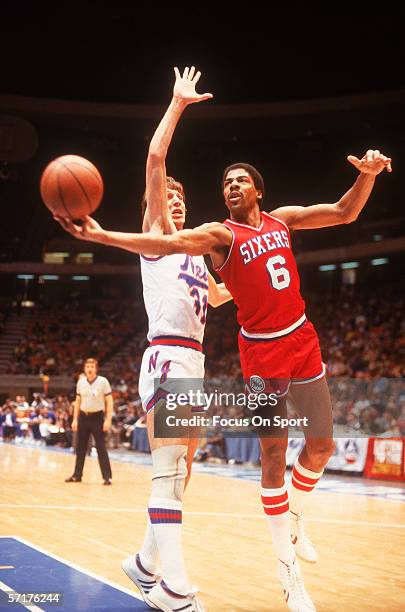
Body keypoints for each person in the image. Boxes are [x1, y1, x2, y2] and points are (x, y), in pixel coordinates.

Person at [56, 143, 391, 610]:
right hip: (219, 356)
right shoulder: (207, 237)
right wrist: (103, 236)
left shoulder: (268, 226)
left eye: (239, 180)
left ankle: (148, 562)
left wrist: (369, 174)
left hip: (259, 347)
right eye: (225, 182)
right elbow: (162, 221)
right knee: (209, 466)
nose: (231, 186)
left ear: (258, 189)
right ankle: (228, 581)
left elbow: (340, 212)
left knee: (222, 464)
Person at [59, 67, 230, 612]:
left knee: (184, 471)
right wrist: (177, 104)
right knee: (166, 468)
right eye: (167, 200)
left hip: (194, 361)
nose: (175, 203)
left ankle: (145, 563)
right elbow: (157, 160)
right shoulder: (156, 237)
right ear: (154, 211)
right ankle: (174, 589)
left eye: (181, 199)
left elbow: (226, 298)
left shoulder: (197, 255)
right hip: (167, 356)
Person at [65, 357, 113, 485]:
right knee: (80, 447)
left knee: (101, 447)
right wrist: (75, 419)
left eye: (92, 367)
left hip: (97, 417)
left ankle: (107, 477)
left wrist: (108, 419)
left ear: (96, 369)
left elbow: (109, 401)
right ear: (84, 369)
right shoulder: (80, 382)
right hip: (83, 417)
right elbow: (78, 402)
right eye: (87, 367)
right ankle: (77, 475)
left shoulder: (103, 382)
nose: (90, 369)